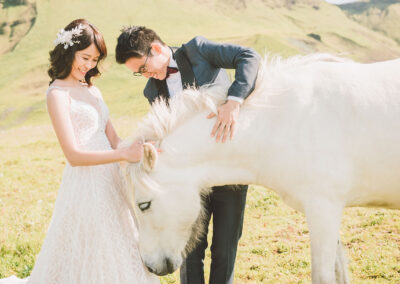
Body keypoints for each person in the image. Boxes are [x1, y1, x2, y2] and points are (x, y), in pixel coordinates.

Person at [0, 19, 159, 284]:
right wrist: (122, 155)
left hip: (111, 181)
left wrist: (141, 148)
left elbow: (114, 139)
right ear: (69, 51)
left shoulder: (94, 91)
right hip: (84, 183)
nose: (90, 65)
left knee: (120, 239)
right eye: (85, 57)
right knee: (92, 243)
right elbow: (73, 155)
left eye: (95, 59)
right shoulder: (57, 94)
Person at [115, 26, 260, 284]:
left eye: (143, 68)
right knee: (190, 246)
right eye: (139, 73)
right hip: (187, 178)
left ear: (157, 49)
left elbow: (248, 57)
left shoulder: (198, 50)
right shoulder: (151, 90)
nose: (145, 75)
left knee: (225, 247)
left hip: (226, 166)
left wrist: (234, 101)